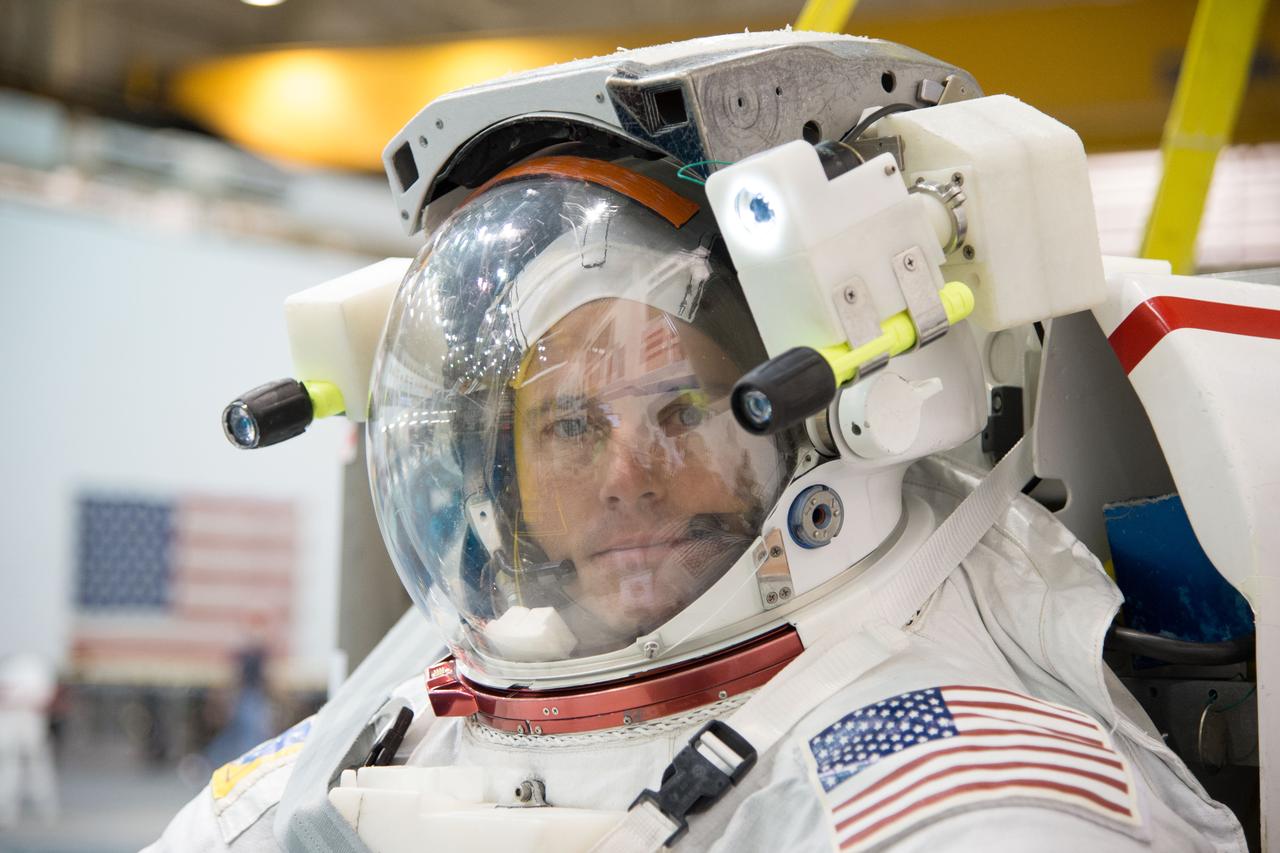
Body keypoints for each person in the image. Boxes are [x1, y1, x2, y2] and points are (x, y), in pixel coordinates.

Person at [149, 31, 1247, 853]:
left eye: (681, 409)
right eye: (569, 425)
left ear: (826, 427)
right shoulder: (340, 768)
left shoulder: (959, 799)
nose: (624, 478)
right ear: (503, 475)